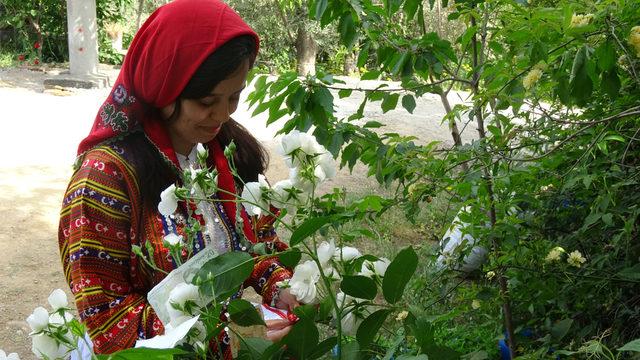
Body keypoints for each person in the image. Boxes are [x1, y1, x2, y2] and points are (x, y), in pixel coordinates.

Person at [57, 0, 298, 356]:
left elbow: (255, 243)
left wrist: (285, 288)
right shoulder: (105, 179)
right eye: (205, 100)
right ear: (163, 86)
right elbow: (106, 318)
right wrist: (220, 338)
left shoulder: (228, 152)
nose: (221, 114)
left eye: (234, 96)